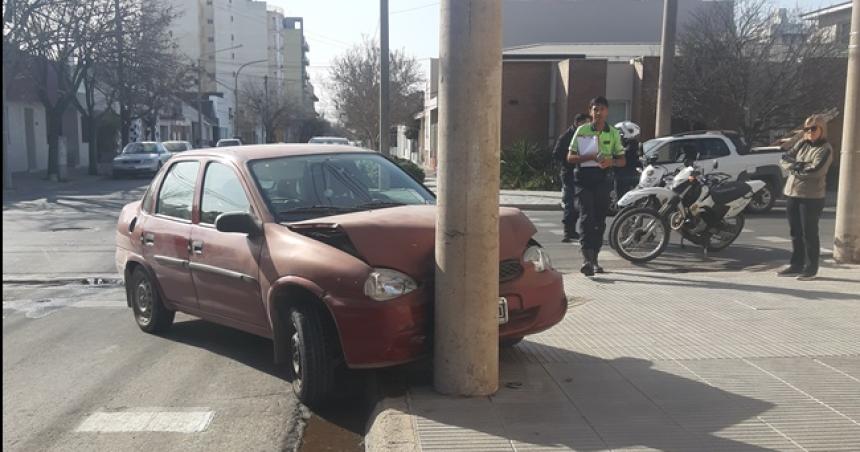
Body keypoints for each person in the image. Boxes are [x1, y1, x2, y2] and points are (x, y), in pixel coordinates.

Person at [567, 97, 626, 276]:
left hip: (603, 179)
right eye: (595, 109)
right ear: (590, 111)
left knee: (599, 219)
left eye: (601, 109)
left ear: (607, 111)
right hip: (584, 179)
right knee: (586, 217)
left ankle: (595, 258)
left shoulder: (613, 132)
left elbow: (622, 161)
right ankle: (587, 260)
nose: (598, 113)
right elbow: (570, 157)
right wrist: (589, 157)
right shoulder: (582, 130)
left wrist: (611, 162)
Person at [777, 114, 833, 281]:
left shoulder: (825, 148)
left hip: (812, 197)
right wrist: (798, 166)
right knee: (796, 232)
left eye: (813, 128)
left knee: (809, 233)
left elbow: (815, 171)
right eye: (806, 129)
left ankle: (811, 268)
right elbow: (784, 158)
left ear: (822, 129)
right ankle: (796, 264)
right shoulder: (802, 143)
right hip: (793, 193)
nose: (809, 132)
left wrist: (795, 167)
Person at [553, 113, 592, 242]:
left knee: (578, 202)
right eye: (586, 122)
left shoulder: (586, 135)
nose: (588, 125)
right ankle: (567, 231)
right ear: (578, 123)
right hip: (569, 173)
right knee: (570, 201)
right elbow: (557, 154)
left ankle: (573, 230)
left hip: (581, 173)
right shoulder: (567, 136)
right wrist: (570, 160)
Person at [613, 121, 643, 203]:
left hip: (624, 176)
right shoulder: (633, 145)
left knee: (622, 201)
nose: (618, 135)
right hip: (629, 175)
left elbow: (622, 157)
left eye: (620, 132)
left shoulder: (630, 146)